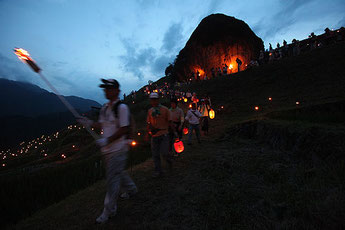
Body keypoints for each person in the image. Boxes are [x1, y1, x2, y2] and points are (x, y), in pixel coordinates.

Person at [78, 79, 137, 224]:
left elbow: (123, 129)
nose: (106, 91)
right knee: (117, 172)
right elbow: (102, 125)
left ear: (117, 90)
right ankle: (132, 188)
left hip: (118, 149)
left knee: (112, 181)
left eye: (109, 88)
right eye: (105, 88)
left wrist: (107, 140)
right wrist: (90, 123)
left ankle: (108, 211)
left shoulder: (122, 108)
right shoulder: (104, 108)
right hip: (108, 150)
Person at [146, 93, 175, 177]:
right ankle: (158, 171)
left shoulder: (165, 110)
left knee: (164, 153)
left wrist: (175, 132)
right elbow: (149, 123)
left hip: (164, 134)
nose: (153, 101)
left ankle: (169, 161)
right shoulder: (150, 111)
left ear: (158, 99)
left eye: (155, 99)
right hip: (154, 135)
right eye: (152, 99)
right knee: (155, 154)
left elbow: (170, 122)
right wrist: (147, 133)